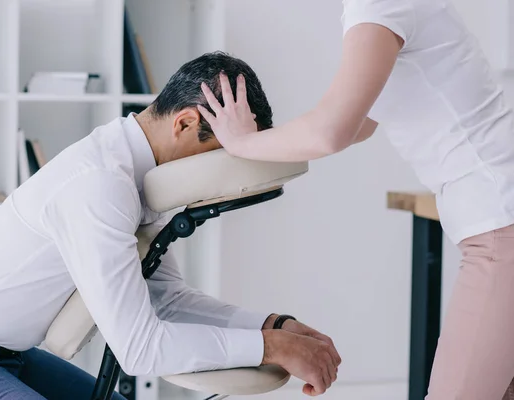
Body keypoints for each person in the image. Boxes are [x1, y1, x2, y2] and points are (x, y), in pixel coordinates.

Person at [0, 52, 341, 400]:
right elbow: (139, 349)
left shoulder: (142, 181)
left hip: (2, 353)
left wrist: (272, 326)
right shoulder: (99, 183)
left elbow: (166, 300)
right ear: (186, 123)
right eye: (227, 153)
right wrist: (271, 348)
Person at [197, 1, 514, 399]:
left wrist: (244, 142)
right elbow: (360, 124)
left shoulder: (380, 4)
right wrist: (252, 143)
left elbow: (333, 130)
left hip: (500, 225)